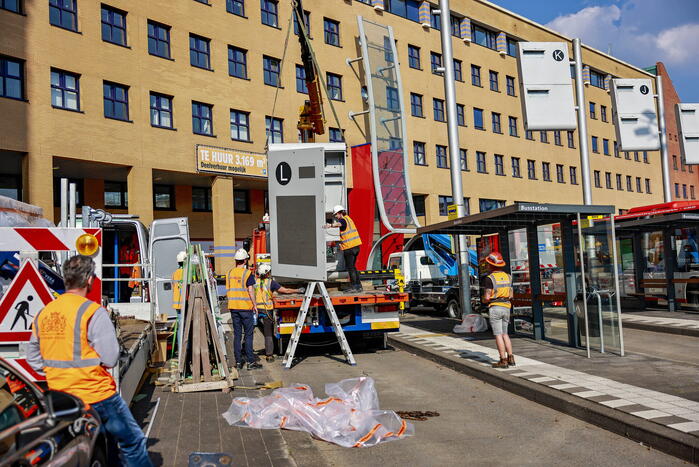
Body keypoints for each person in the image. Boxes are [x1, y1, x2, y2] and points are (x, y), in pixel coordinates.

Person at [26, 255, 152, 467]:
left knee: (100, 446)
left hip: (61, 397)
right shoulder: (92, 312)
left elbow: (33, 358)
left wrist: (57, 370)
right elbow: (111, 358)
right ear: (89, 280)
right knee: (132, 442)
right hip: (97, 395)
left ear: (66, 279)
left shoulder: (43, 314)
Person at [255, 263, 304, 362]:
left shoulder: (255, 281)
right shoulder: (271, 282)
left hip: (256, 309)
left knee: (252, 332)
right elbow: (285, 291)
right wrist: (298, 290)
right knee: (268, 333)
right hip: (266, 309)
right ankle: (269, 355)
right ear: (267, 273)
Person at [227, 249, 260, 370]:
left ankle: (239, 362)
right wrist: (255, 305)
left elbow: (229, 289)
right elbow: (250, 290)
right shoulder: (247, 273)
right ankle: (251, 362)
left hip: (233, 308)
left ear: (236, 260)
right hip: (246, 308)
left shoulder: (229, 273)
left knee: (237, 335)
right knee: (248, 335)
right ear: (245, 260)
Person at [482, 251, 515, 369]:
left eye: (487, 264)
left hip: (495, 308)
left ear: (491, 265)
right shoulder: (508, 277)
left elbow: (486, 297)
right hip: (506, 307)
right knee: (505, 334)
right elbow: (511, 295)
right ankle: (511, 357)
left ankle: (503, 360)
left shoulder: (490, 278)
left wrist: (484, 300)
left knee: (498, 335)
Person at [325, 205, 363, 292]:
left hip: (349, 248)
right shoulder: (349, 219)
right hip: (356, 246)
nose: (336, 217)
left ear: (340, 213)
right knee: (353, 267)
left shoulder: (343, 220)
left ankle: (354, 287)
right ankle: (358, 286)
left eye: (336, 215)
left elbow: (340, 224)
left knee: (350, 268)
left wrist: (330, 225)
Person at [118, 236, 137, 303]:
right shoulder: (126, 250)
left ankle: (126, 298)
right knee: (127, 287)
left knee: (126, 287)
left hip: (126, 271)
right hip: (127, 271)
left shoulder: (124, 249)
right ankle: (126, 299)